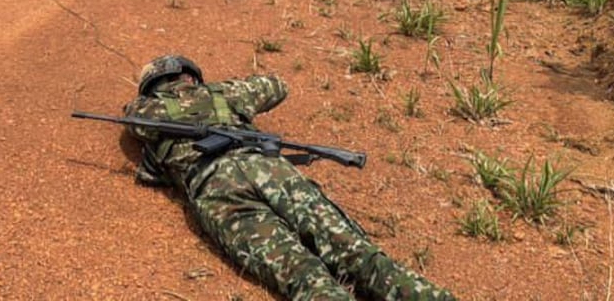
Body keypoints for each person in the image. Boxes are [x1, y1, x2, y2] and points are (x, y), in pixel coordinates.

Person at [122, 54, 457, 301]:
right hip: (271, 169)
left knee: (302, 275)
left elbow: (134, 121)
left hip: (217, 187)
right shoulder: (226, 94)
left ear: (150, 88)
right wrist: (221, 95)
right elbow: (275, 86)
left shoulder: (144, 112)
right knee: (357, 254)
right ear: (192, 77)